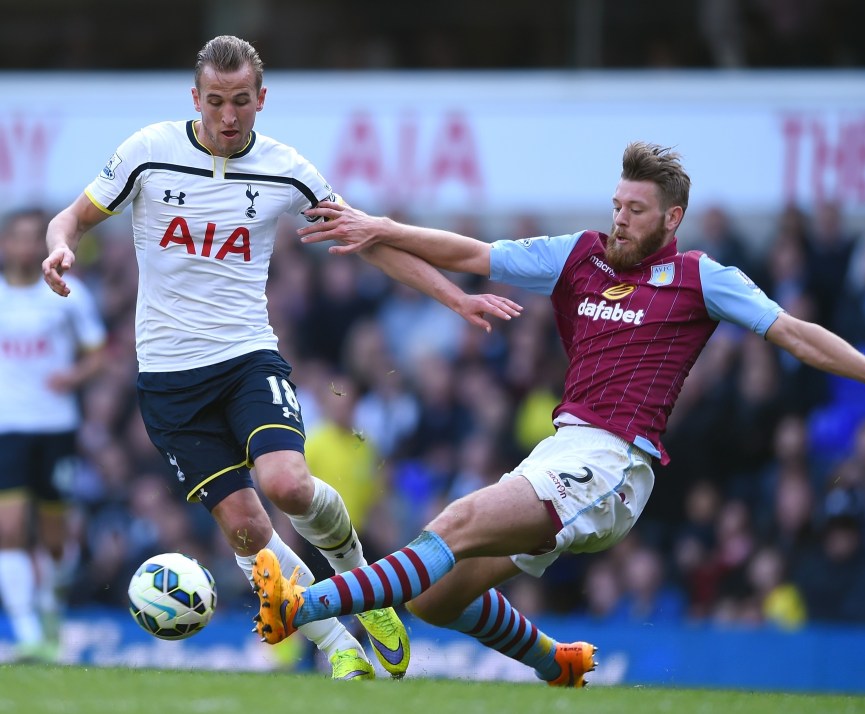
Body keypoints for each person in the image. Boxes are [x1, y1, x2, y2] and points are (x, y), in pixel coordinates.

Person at [249, 141, 865, 686]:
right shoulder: (578, 256)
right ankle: (558, 661)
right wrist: (378, 226)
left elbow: (790, 331)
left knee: (451, 525)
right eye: (617, 204)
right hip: (559, 455)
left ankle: (305, 607)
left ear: (671, 218)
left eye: (636, 210)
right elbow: (472, 254)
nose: (620, 218)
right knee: (434, 599)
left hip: (615, 464)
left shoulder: (702, 277)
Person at [41, 35, 520, 680]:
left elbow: (370, 240)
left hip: (245, 359)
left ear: (262, 98)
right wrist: (60, 249)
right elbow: (69, 219)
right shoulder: (147, 153)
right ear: (196, 98)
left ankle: (364, 585)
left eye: (241, 101)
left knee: (287, 484)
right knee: (246, 532)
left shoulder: (286, 169)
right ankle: (337, 647)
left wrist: (455, 298)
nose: (229, 116)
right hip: (167, 380)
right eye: (216, 101)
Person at [0, 207, 107, 661]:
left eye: (32, 238)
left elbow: (98, 353)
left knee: (55, 537)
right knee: (8, 529)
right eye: (17, 238)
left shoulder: (68, 294)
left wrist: (74, 376)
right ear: (5, 245)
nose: (25, 247)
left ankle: (49, 607)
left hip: (57, 426)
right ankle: (25, 631)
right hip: (9, 428)